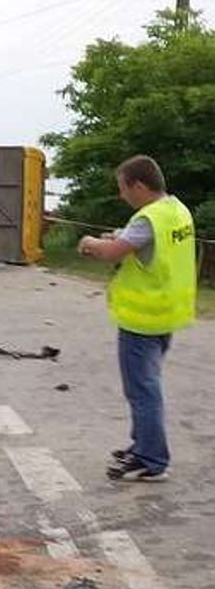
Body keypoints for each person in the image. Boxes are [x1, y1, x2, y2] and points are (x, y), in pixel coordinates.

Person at [77, 155, 195, 482]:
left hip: (142, 318)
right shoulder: (176, 210)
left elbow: (112, 253)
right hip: (166, 313)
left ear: (139, 185)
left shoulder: (147, 218)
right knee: (145, 386)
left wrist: (89, 243)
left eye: (123, 188)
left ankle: (150, 459)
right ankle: (142, 444)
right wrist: (120, 236)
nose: (121, 195)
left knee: (142, 390)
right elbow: (145, 244)